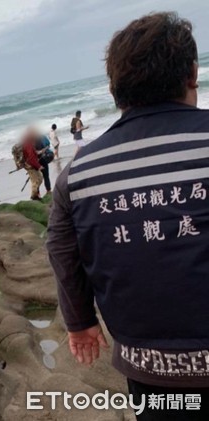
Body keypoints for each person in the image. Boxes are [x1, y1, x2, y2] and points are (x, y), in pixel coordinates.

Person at [47, 13, 209, 421]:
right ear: (192, 73)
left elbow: (62, 249)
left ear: (116, 89)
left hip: (148, 367)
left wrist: (80, 322)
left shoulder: (80, 173)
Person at [21, 130, 43, 201]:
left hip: (30, 165)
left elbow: (30, 155)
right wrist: (39, 166)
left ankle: (35, 195)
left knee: (39, 178)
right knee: (35, 181)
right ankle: (34, 197)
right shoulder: (28, 144)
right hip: (30, 166)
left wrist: (36, 153)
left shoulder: (28, 143)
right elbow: (31, 158)